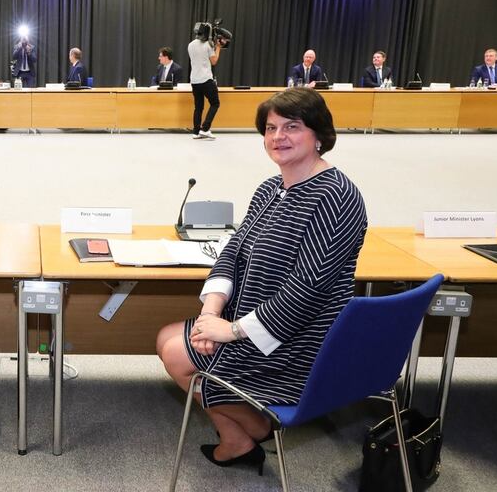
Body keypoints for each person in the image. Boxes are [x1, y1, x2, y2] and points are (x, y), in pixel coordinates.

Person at [156, 87, 367, 473]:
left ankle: (258, 427)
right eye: (271, 128)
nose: (278, 137)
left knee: (175, 352)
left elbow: (307, 290)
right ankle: (238, 439)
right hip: (254, 319)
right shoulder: (272, 187)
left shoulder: (336, 196)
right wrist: (210, 313)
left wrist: (231, 331)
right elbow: (234, 249)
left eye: (292, 127)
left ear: (319, 134)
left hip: (297, 339)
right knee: (167, 338)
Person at [187, 35, 222, 140]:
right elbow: (214, 61)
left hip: (194, 80)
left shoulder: (190, 45)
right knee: (215, 103)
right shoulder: (208, 45)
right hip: (206, 79)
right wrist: (218, 47)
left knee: (198, 107)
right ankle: (205, 129)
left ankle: (196, 132)